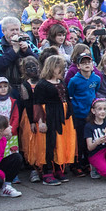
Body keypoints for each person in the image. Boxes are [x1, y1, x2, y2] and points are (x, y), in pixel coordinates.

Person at [34, 55, 76, 186]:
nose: (61, 70)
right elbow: (37, 104)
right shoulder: (42, 84)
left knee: (60, 143)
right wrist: (41, 122)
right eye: (59, 67)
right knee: (49, 144)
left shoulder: (61, 82)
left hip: (63, 117)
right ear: (51, 67)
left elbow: (66, 99)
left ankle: (58, 169)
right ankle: (47, 172)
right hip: (50, 116)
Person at [67, 52, 101, 175]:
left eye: (89, 62)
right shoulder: (74, 81)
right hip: (78, 114)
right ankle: (76, 164)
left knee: (90, 139)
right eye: (83, 63)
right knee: (79, 140)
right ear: (78, 66)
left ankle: (87, 163)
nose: (87, 65)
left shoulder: (96, 78)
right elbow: (70, 95)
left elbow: (95, 91)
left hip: (90, 114)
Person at [18, 56, 44, 183]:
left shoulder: (43, 81)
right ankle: (34, 168)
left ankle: (44, 166)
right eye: (28, 68)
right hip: (30, 116)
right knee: (32, 142)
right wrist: (32, 121)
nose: (32, 69)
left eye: (34, 66)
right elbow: (27, 104)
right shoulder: (25, 85)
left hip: (43, 113)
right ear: (24, 70)